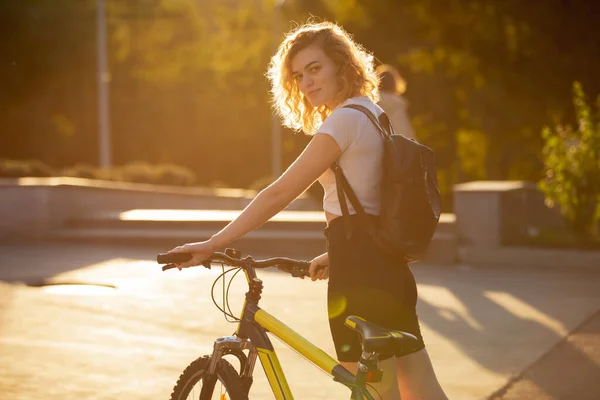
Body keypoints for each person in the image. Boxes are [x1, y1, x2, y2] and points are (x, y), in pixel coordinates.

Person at [167, 21, 448, 400]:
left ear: (340, 64)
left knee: (376, 395)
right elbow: (373, 203)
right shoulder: (371, 113)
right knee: (421, 390)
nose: (306, 82)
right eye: (298, 75)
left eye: (315, 69)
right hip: (387, 272)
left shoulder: (344, 120)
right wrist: (337, 251)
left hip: (362, 279)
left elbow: (279, 193)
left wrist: (213, 242)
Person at [376, 64, 417, 140]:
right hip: (398, 147)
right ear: (395, 82)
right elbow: (406, 132)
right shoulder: (399, 104)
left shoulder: (372, 104)